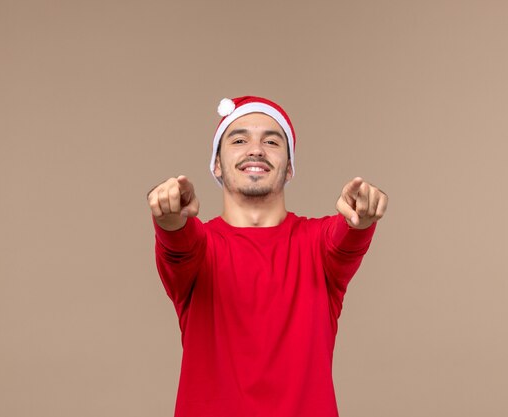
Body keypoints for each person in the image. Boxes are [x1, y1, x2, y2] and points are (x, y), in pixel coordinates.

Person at [147, 96, 388, 417]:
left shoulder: (318, 244)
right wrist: (168, 218)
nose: (256, 149)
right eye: (239, 139)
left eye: (272, 141)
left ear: (290, 167)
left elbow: (345, 239)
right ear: (216, 164)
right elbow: (178, 243)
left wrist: (362, 217)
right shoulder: (200, 246)